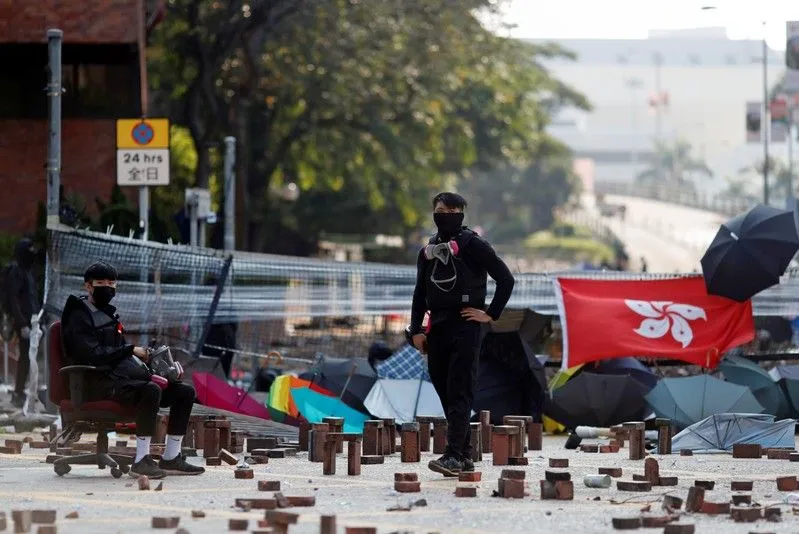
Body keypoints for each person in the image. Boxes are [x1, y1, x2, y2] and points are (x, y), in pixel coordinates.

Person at [61, 261, 204, 479]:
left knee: (184, 392)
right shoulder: (78, 316)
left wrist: (157, 367)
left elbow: (120, 353)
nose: (108, 288)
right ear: (88, 286)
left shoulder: (107, 315)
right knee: (150, 391)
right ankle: (141, 461)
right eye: (101, 283)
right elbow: (91, 354)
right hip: (97, 382)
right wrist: (131, 350)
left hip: (121, 379)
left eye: (112, 283)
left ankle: (171, 457)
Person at [408, 192, 515, 477]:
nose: (447, 214)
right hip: (437, 327)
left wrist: (490, 313)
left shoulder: (473, 245)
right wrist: (416, 330)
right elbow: (420, 293)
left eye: (453, 210)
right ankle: (464, 454)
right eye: (442, 209)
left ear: (462, 214)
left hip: (466, 325)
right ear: (434, 212)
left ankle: (454, 455)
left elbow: (506, 279)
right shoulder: (428, 250)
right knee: (445, 389)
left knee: (459, 389)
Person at [7, 238, 38, 408]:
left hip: (32, 322)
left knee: (29, 358)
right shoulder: (17, 272)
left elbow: (31, 298)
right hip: (24, 324)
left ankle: (24, 391)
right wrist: (21, 323)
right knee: (25, 358)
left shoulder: (28, 272)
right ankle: (19, 392)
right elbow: (14, 300)